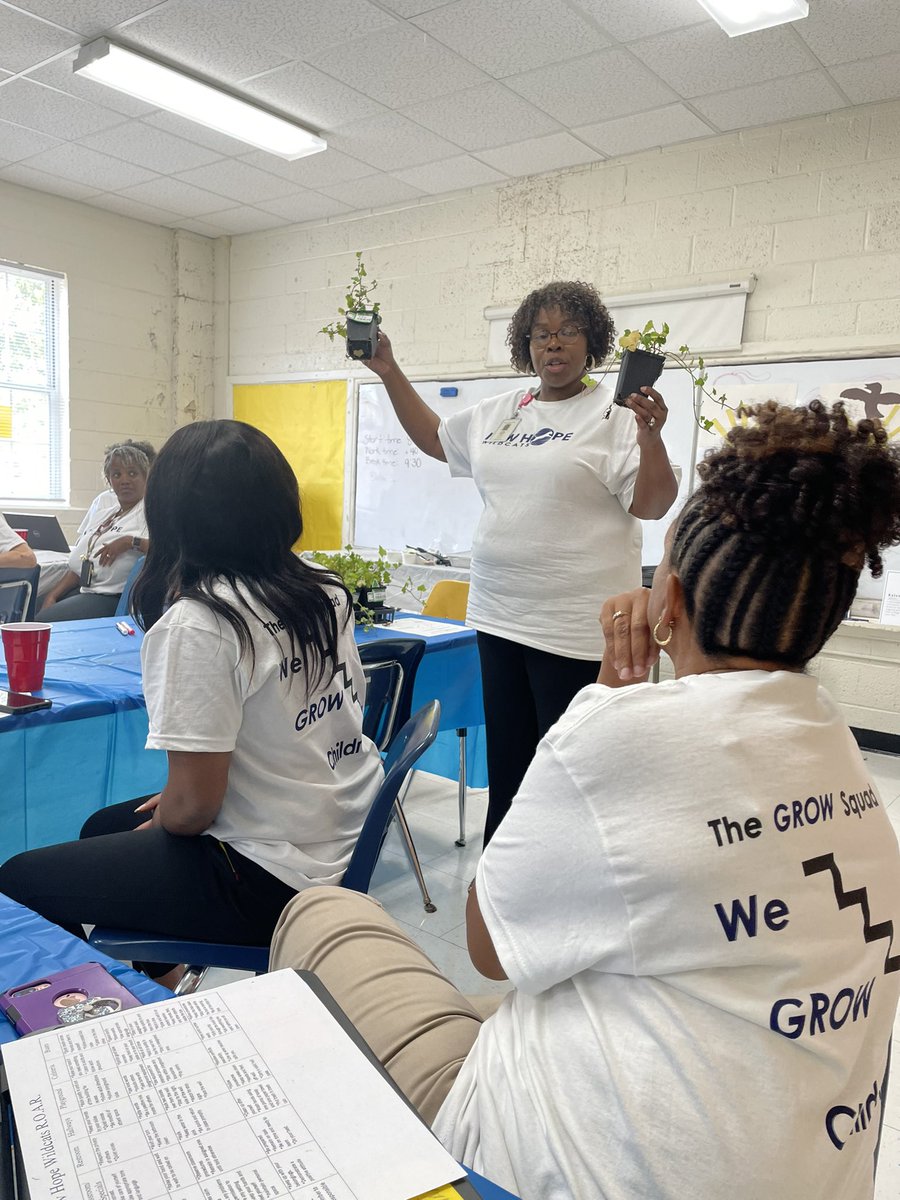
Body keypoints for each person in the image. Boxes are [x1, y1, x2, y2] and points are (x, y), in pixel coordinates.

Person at [269, 400, 900, 1199]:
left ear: (668, 604)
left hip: (540, 1170)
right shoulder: (840, 752)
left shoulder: (619, 734)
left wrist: (601, 705)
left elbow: (492, 947)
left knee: (328, 915)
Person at [0, 420, 384, 986]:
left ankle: (88, 1019)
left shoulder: (203, 623)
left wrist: (178, 810)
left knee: (19, 880)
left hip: (273, 874)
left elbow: (193, 811)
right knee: (103, 824)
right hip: (338, 823)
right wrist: (180, 802)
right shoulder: (321, 585)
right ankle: (161, 973)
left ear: (174, 514)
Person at [364, 280, 678, 844]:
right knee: (509, 764)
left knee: (566, 772)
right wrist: (389, 371)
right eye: (541, 335)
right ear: (525, 345)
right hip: (499, 616)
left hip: (576, 627)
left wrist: (651, 436)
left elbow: (651, 506)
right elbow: (437, 440)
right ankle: (499, 880)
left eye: (567, 332)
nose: (553, 345)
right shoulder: (500, 412)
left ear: (591, 342)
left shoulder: (614, 415)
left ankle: (562, 887)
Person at [39, 441, 152, 621]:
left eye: (132, 473)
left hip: (112, 598)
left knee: (43, 621)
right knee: (32, 605)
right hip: (87, 589)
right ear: (109, 480)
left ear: (146, 477)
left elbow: (169, 550)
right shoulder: (106, 514)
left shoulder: (152, 512)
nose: (125, 480)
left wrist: (130, 542)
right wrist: (52, 595)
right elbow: (83, 564)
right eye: (117, 474)